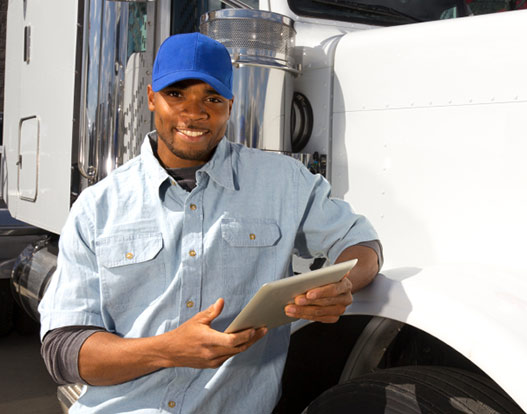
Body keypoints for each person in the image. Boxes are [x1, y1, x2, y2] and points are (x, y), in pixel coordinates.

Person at [38, 32, 382, 413]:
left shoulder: (284, 182)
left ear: (230, 106)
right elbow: (64, 353)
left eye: (212, 98)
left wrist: (342, 283)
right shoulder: (97, 207)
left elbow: (361, 243)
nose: (195, 112)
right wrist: (166, 351)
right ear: (151, 97)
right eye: (176, 94)